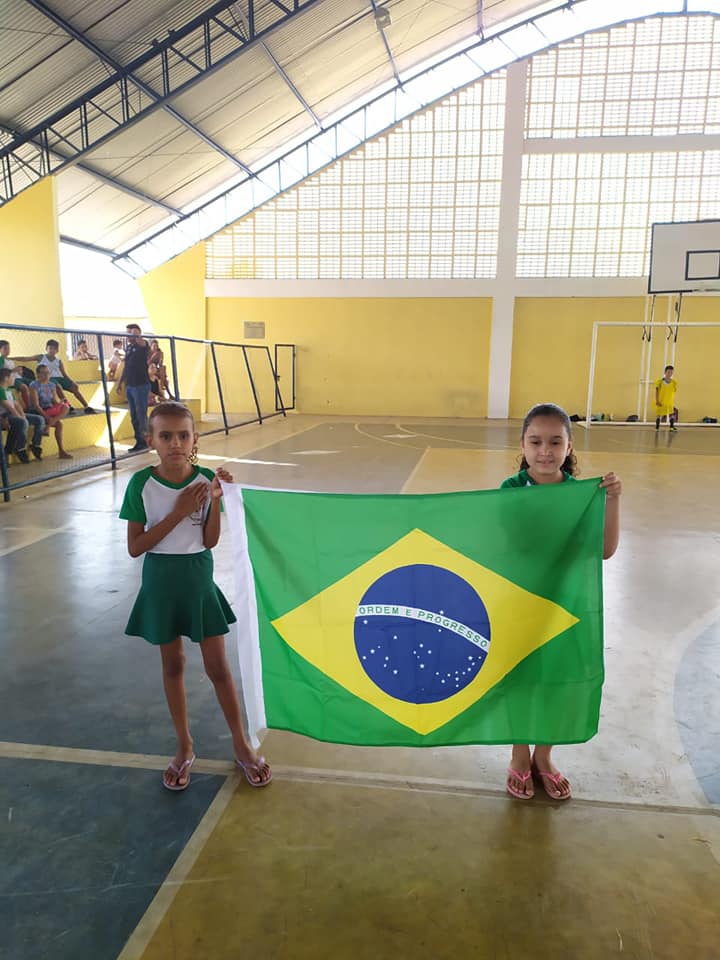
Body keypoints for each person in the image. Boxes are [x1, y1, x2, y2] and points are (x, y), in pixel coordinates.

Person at [119, 401, 272, 791]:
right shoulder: (141, 484)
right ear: (151, 440)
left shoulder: (204, 479)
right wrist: (180, 510)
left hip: (198, 581)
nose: (175, 443)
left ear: (194, 439)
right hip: (161, 584)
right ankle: (184, 746)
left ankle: (241, 743)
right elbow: (136, 547)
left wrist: (215, 501)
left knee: (219, 668)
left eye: (182, 435)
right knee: (173, 666)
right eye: (165, 436)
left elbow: (209, 540)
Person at [500, 402, 621, 801]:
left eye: (555, 442)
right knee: (521, 677)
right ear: (523, 445)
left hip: (566, 606)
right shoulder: (511, 490)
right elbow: (512, 545)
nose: (545, 451)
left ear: (569, 447)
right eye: (535, 441)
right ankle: (519, 753)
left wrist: (612, 501)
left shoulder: (581, 496)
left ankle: (544, 755)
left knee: (556, 678)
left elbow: (605, 550)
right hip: (520, 604)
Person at [117, 324, 151, 452]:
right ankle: (139, 441)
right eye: (127, 333)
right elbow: (126, 366)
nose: (128, 336)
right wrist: (120, 382)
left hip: (141, 386)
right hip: (130, 386)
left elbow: (141, 341)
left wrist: (136, 333)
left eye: (130, 333)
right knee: (134, 416)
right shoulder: (129, 347)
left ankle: (146, 441)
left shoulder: (143, 345)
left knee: (141, 415)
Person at [0, 367, 45, 463]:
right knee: (22, 422)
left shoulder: (8, 390)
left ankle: (36, 445)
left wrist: (23, 415)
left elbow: (17, 405)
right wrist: (21, 418)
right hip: (5, 415)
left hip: (12, 414)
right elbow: (10, 408)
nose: (14, 379)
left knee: (39, 419)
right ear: (6, 378)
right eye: (12, 377)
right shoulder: (0, 390)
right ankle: (19, 448)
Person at [28, 364, 73, 460]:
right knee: (59, 424)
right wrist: (47, 417)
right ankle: (60, 449)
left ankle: (60, 450)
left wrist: (60, 402)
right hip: (38, 411)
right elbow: (36, 405)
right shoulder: (34, 385)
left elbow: (54, 401)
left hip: (49, 409)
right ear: (38, 374)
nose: (46, 375)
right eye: (43, 373)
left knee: (65, 407)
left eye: (48, 373)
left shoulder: (51, 385)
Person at [0, 340, 32, 407]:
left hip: (18, 377)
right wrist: (13, 370)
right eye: (5, 348)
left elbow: (14, 371)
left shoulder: (10, 360)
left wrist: (19, 371)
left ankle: (38, 404)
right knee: (24, 387)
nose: (8, 350)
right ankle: (29, 407)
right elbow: (2, 372)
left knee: (34, 383)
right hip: (10, 380)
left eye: (8, 348)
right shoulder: (1, 360)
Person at [655, 365, 678, 432]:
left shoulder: (674, 382)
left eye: (671, 372)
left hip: (669, 402)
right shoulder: (659, 382)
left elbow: (673, 392)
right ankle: (657, 427)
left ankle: (671, 427)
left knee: (671, 414)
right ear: (665, 372)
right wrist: (657, 400)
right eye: (668, 372)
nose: (670, 374)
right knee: (659, 414)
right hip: (661, 401)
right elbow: (657, 392)